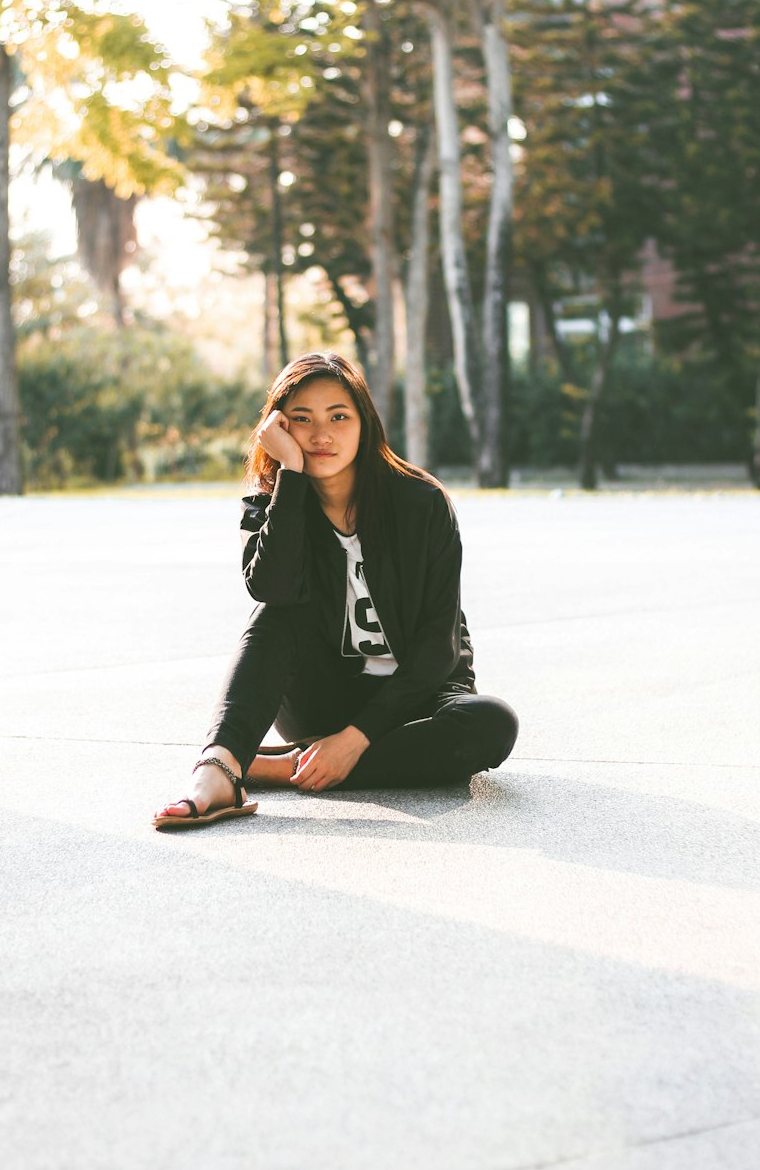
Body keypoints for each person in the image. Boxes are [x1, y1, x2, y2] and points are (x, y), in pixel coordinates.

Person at [153, 351, 518, 829]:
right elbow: (271, 589)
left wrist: (357, 738)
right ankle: (217, 766)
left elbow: (438, 647)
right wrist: (291, 478)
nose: (321, 435)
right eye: (301, 420)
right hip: (321, 699)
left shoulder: (421, 504)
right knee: (276, 613)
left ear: (364, 423)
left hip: (418, 700)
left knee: (492, 723)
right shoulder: (271, 504)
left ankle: (281, 767)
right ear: (278, 429)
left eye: (339, 417)